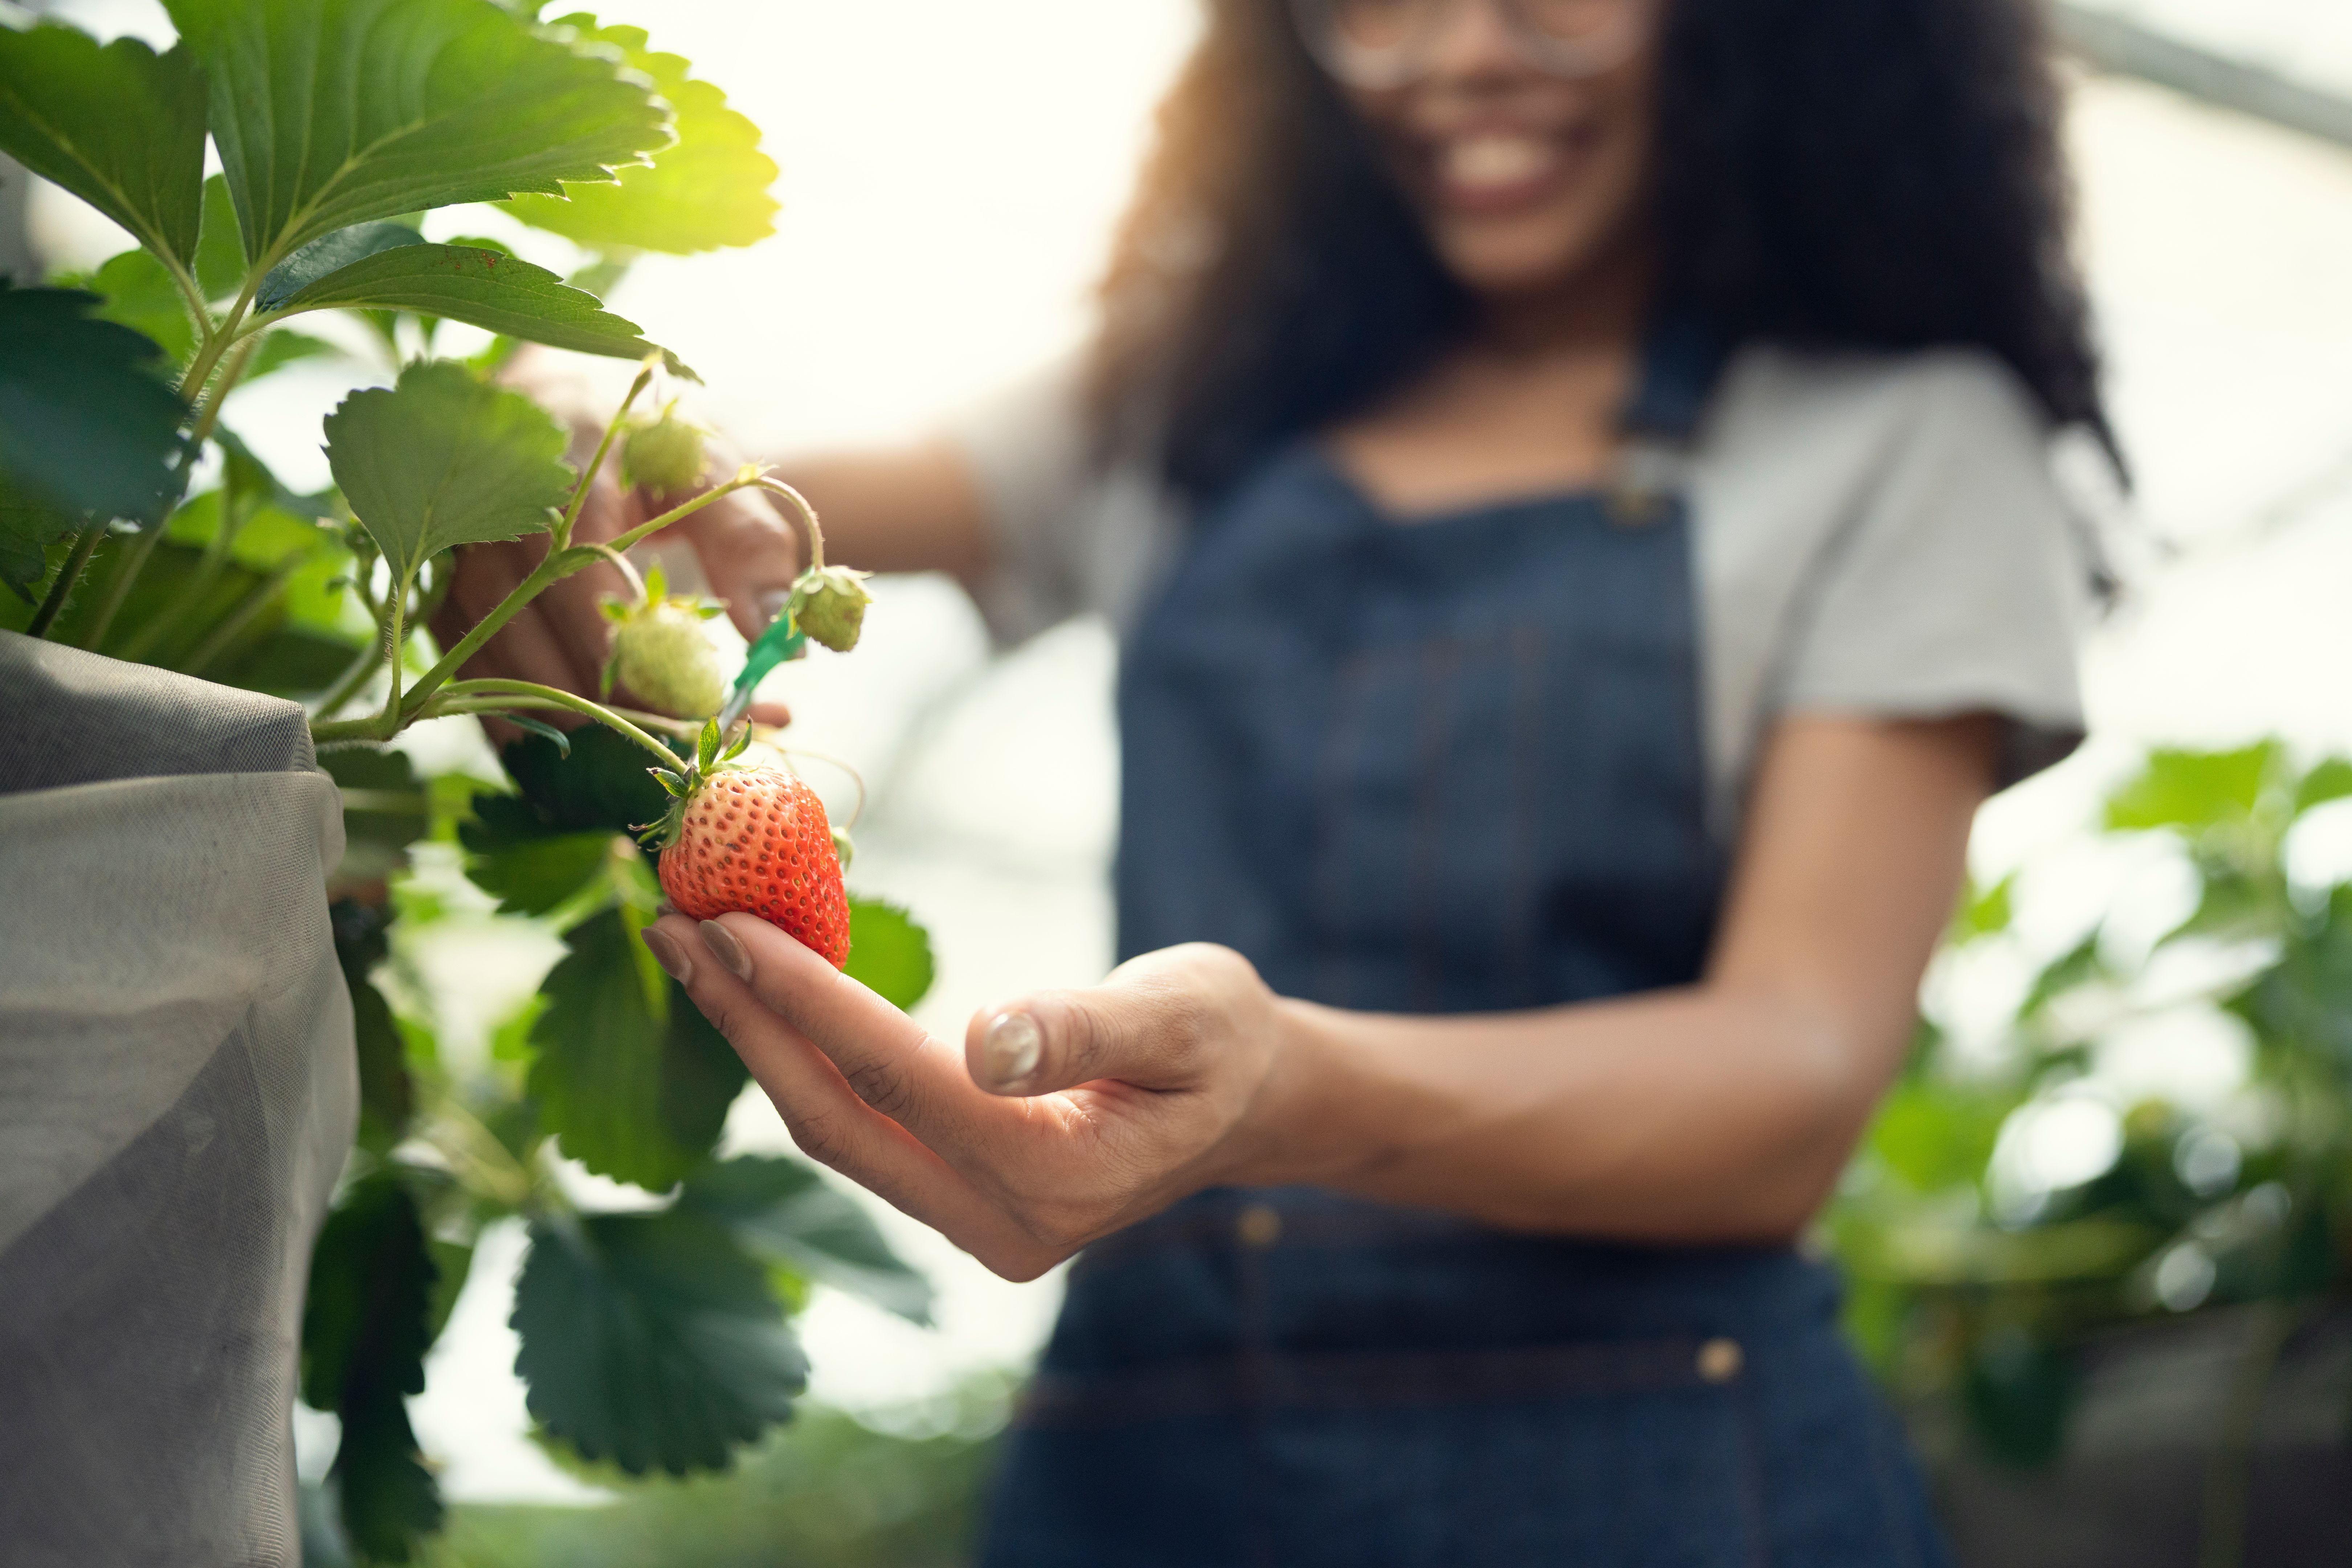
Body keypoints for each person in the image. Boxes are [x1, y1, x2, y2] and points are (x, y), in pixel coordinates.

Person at [442, 0, 2110, 1560]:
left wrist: (1278, 1092)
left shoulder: (1906, 439)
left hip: (1660, 1478)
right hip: (1138, 1477)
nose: (1454, 56)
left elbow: (1785, 1091)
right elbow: (755, 490)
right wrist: (573, 436)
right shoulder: (1184, 405)